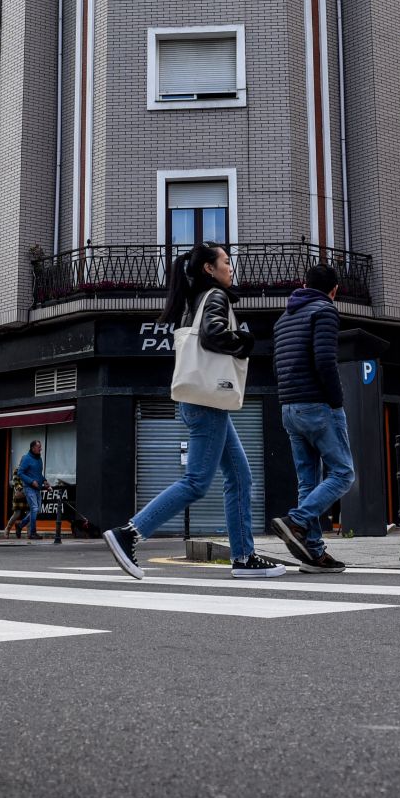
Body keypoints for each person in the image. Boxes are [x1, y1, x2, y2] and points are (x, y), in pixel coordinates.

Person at [102, 242, 286, 580]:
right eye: (226, 262)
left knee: (240, 477)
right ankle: (129, 533)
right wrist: (245, 343)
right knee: (197, 482)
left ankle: (244, 557)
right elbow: (214, 335)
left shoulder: (197, 299)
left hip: (204, 403)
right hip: (207, 404)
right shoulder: (214, 297)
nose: (231, 268)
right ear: (209, 269)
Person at [269, 263, 353, 573]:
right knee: (343, 473)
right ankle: (297, 521)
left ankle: (315, 553)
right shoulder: (325, 311)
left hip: (289, 407)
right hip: (317, 406)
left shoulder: (284, 318)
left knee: (308, 483)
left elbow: (277, 365)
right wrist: (336, 402)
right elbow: (325, 360)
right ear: (334, 291)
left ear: (304, 284)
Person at [15, 439, 48, 541]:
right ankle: (33, 533)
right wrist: (31, 481)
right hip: (29, 488)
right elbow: (20, 473)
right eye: (39, 447)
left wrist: (45, 481)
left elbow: (38, 475)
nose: (40, 449)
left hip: (37, 489)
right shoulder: (26, 458)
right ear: (33, 448)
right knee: (34, 508)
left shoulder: (39, 459)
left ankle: (20, 525)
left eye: (40, 447)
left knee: (37, 510)